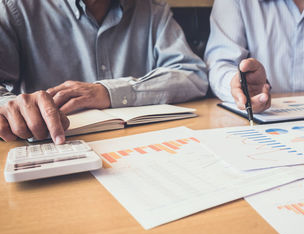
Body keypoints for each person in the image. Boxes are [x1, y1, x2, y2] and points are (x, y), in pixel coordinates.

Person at [0, 0, 208, 144]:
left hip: (138, 148)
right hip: (53, 149)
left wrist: (108, 92)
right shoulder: (14, 9)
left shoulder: (152, 9)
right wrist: (9, 107)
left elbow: (193, 75)